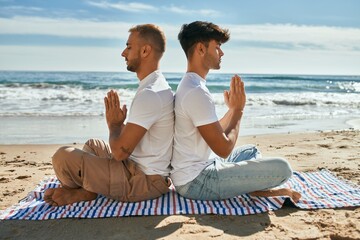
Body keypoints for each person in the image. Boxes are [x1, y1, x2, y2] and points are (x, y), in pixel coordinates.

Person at [44, 24, 174, 206]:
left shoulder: (150, 94)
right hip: (138, 169)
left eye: (129, 47)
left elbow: (120, 153)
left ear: (145, 51)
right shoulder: (154, 85)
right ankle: (87, 190)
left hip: (142, 182)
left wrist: (114, 126)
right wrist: (120, 127)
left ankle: (82, 192)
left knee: (63, 156)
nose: (123, 53)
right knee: (93, 145)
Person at [170, 21, 301, 202]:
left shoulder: (192, 85)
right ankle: (254, 188)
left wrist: (232, 110)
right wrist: (238, 111)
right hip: (196, 182)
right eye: (217, 47)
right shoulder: (196, 92)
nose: (221, 53)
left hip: (200, 169)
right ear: (201, 49)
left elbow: (214, 130)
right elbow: (223, 149)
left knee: (250, 150)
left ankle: (251, 188)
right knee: (283, 168)